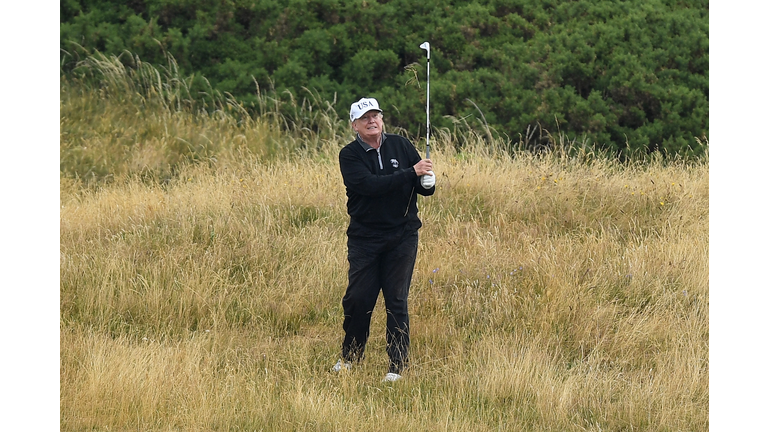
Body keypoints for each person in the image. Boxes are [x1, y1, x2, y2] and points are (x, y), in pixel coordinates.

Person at [332, 97, 435, 382]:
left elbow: (421, 184)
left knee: (396, 300)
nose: (372, 120)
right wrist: (411, 173)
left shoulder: (401, 146)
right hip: (365, 237)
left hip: (402, 235)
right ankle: (351, 357)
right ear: (355, 125)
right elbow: (369, 186)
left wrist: (428, 182)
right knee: (359, 298)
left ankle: (397, 367)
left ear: (381, 119)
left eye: (375, 115)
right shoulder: (349, 155)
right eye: (365, 117)